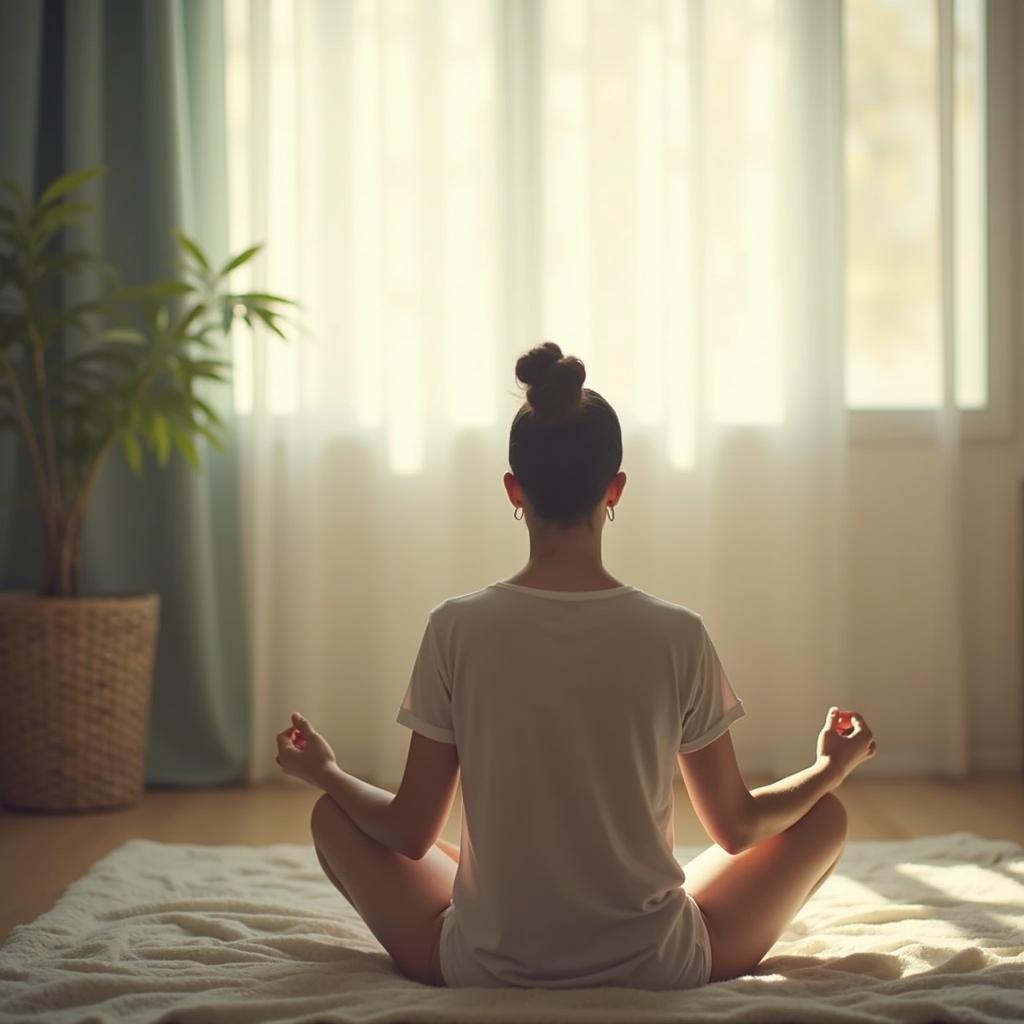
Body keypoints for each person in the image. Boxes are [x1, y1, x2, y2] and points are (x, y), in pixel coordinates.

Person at [275, 340, 877, 990]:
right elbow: (737, 828)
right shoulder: (677, 634)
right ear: (614, 488)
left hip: (482, 967)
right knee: (826, 816)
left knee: (332, 816)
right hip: (661, 966)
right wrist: (829, 768)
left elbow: (410, 832)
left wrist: (325, 771)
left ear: (514, 489)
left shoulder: (455, 628)